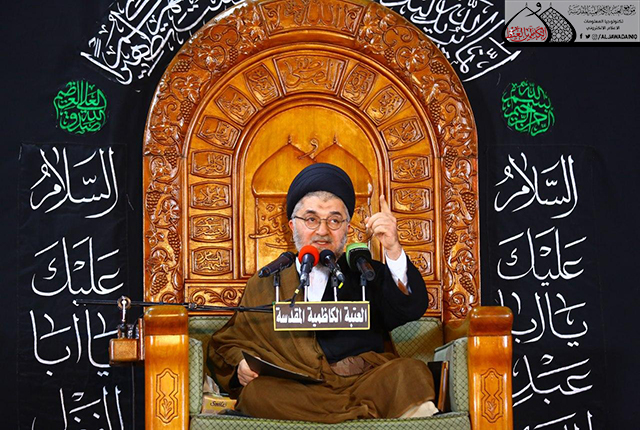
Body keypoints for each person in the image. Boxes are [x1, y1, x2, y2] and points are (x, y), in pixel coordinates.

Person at [208, 163, 437, 422]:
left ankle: (350, 414)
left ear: (347, 228)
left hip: (363, 384)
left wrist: (393, 249)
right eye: (311, 219)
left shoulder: (364, 272)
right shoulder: (267, 282)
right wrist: (241, 364)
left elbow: (410, 307)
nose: (322, 231)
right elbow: (228, 342)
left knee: (411, 371)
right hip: (297, 391)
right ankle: (360, 417)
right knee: (257, 393)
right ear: (292, 226)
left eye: (335, 220)